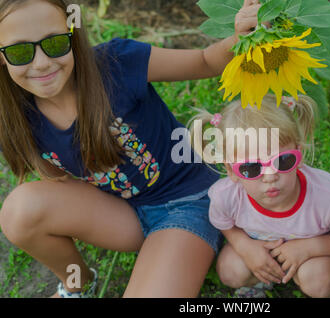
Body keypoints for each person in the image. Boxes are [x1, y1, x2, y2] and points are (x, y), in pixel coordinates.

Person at [0, 0, 261, 298]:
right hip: (123, 213)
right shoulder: (14, 116)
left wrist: (242, 38)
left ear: (74, 36)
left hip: (187, 203)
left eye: (56, 43)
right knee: (18, 213)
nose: (42, 62)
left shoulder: (117, 64)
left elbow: (204, 61)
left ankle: (177, 246)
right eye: (20, 51)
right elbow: (58, 177)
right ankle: (78, 284)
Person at [188, 94, 330, 298]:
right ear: (231, 170)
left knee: (319, 279)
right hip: (261, 248)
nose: (270, 176)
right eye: (251, 168)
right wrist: (243, 245)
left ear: (298, 154)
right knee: (230, 270)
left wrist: (308, 248)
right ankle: (262, 279)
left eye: (282, 161)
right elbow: (224, 223)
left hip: (315, 258)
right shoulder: (226, 196)